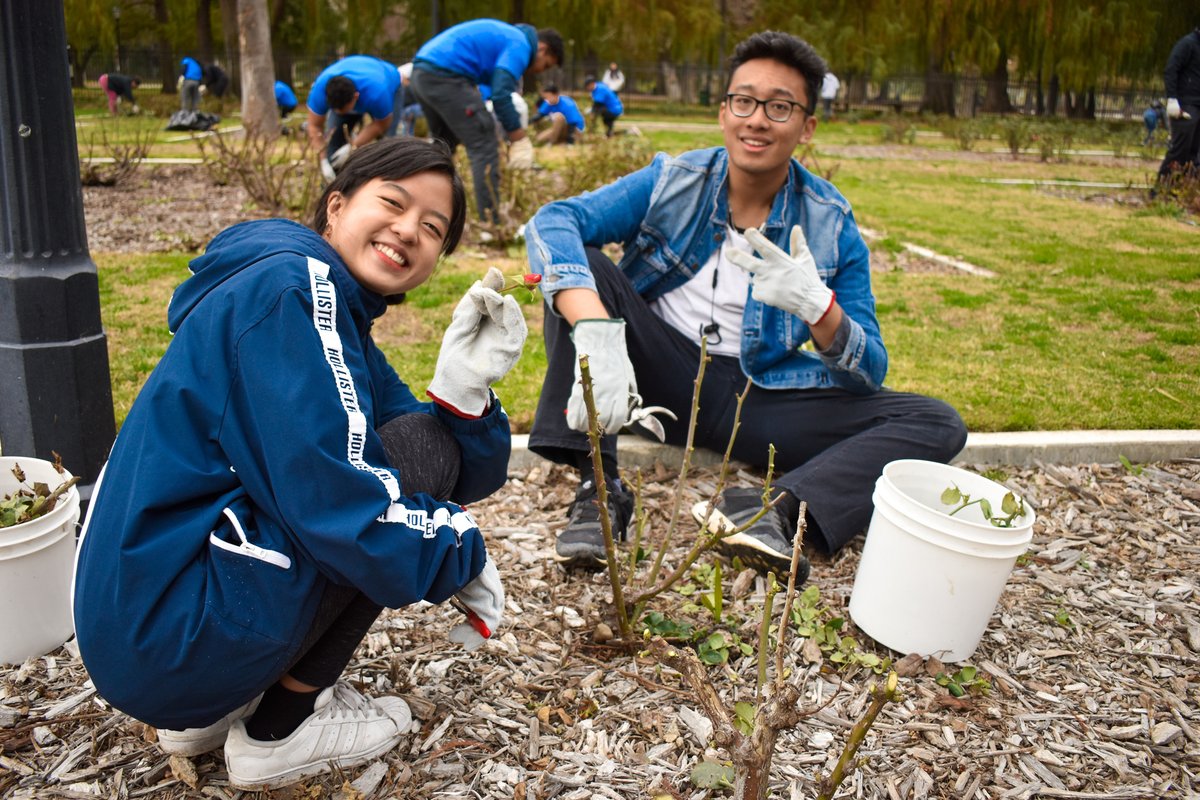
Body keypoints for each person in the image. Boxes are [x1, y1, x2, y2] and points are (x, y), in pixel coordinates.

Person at [72, 138, 526, 791]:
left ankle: (215, 706)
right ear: (335, 207)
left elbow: (444, 457)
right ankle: (281, 729)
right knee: (385, 501)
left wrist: (464, 392)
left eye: (433, 228)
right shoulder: (291, 290)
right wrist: (459, 548)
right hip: (170, 639)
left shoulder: (315, 301)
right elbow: (341, 508)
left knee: (415, 454)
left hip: (144, 622)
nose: (409, 230)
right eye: (393, 203)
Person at [524, 31, 967, 576]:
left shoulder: (830, 222)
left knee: (937, 422)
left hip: (759, 397)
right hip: (656, 375)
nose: (757, 120)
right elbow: (555, 221)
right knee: (582, 267)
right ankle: (599, 491)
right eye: (744, 101)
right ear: (723, 112)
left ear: (807, 126)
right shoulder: (674, 180)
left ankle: (770, 512)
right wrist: (597, 331)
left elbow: (868, 370)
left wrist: (818, 307)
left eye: (779, 107)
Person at [409, 18, 564, 222]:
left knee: (444, 145)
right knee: (484, 143)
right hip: (445, 76)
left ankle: (424, 203)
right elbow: (501, 94)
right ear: (542, 49)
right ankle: (490, 220)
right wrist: (519, 138)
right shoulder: (521, 45)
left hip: (422, 73)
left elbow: (489, 92)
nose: (539, 71)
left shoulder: (507, 37)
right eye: (545, 65)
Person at [306, 55, 403, 180]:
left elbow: (382, 124)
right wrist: (323, 161)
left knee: (388, 142)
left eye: (344, 110)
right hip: (358, 85)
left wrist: (352, 147)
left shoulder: (378, 93)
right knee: (334, 143)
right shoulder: (320, 90)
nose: (340, 113)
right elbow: (314, 125)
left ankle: (385, 179)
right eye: (336, 110)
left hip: (389, 80)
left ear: (356, 97)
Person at [1157, 23, 1200, 184]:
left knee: (1194, 153)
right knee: (1180, 149)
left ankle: (1185, 189)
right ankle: (1161, 189)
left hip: (1198, 104)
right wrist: (1172, 98)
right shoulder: (1187, 44)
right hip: (1185, 105)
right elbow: (1171, 69)